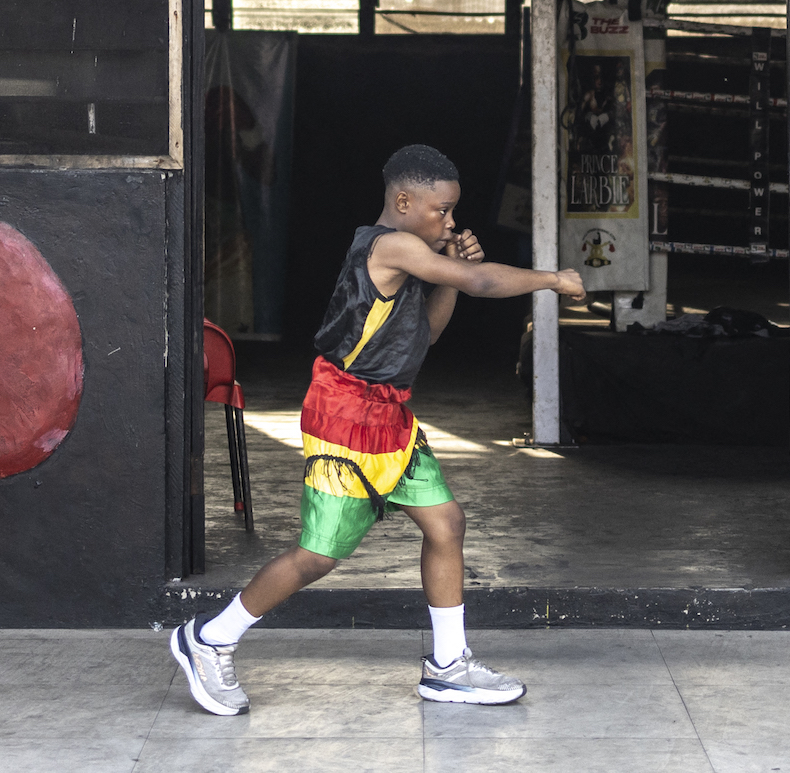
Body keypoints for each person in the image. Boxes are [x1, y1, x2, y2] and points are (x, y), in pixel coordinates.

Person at [169, 143, 586, 715]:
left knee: (446, 523)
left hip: (388, 413)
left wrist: (450, 279)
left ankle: (447, 664)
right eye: (442, 210)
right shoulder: (389, 245)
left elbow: (428, 337)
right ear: (404, 199)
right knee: (318, 556)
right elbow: (485, 284)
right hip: (345, 416)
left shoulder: (414, 255)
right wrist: (552, 279)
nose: (450, 221)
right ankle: (208, 639)